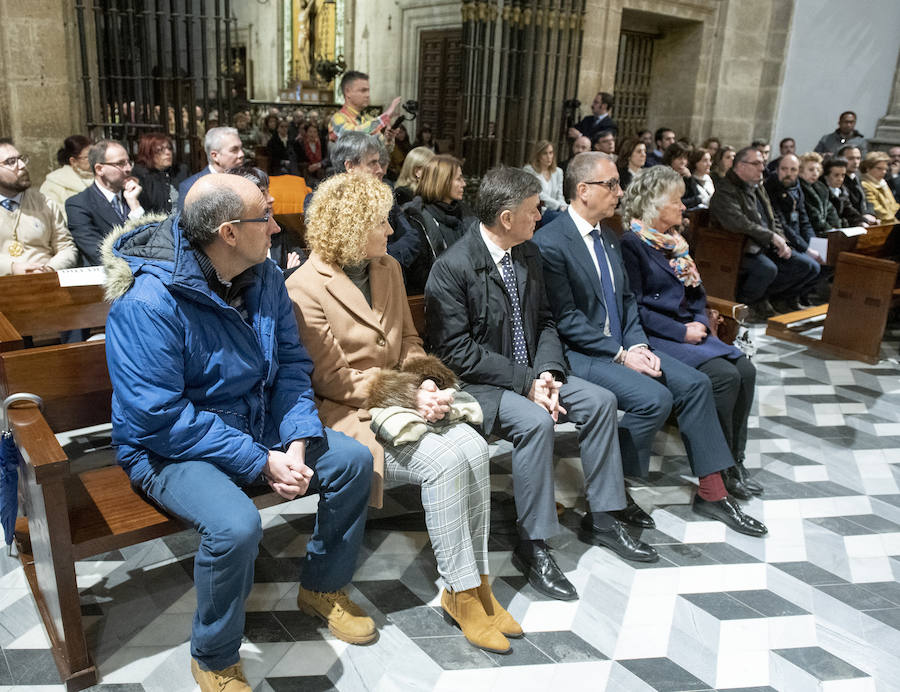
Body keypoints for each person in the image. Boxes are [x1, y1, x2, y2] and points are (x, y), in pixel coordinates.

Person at [102, 173, 375, 691]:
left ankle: (323, 586)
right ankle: (214, 656)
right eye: (264, 217)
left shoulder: (264, 275)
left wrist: (296, 441)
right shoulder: (147, 302)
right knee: (235, 526)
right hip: (168, 448)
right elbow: (158, 416)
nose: (276, 226)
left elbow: (291, 364)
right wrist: (260, 460)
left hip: (255, 422)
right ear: (228, 232)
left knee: (353, 462)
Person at [287, 172, 522, 654]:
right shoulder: (303, 288)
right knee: (443, 462)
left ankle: (478, 585)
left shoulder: (387, 267)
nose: (391, 231)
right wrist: (409, 394)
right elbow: (332, 380)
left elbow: (411, 341)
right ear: (352, 228)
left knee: (473, 446)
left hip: (404, 398)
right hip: (349, 414)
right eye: (381, 222)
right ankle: (458, 592)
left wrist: (427, 382)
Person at [426, 166, 656, 603]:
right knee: (535, 423)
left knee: (600, 401)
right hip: (481, 385)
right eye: (533, 210)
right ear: (507, 218)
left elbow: (547, 322)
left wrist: (549, 372)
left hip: (533, 374)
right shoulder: (453, 267)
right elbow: (457, 353)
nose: (541, 216)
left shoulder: (527, 252)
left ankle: (605, 517)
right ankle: (534, 544)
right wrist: (527, 382)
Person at [534, 153, 765, 535]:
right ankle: (613, 493)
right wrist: (621, 354)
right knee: (655, 399)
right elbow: (567, 319)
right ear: (583, 190)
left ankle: (713, 492)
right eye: (611, 184)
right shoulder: (551, 242)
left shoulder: (607, 238)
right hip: (579, 353)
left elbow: (627, 302)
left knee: (697, 385)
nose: (620, 192)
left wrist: (638, 346)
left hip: (622, 345)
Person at [619, 166, 763, 497]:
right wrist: (681, 331)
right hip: (657, 335)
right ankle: (720, 469)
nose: (683, 207)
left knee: (746, 370)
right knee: (724, 377)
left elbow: (697, 293)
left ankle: (735, 461)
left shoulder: (676, 243)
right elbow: (635, 307)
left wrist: (699, 320)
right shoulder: (632, 244)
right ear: (654, 203)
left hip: (690, 330)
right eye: (677, 200)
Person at [709, 147, 820, 320]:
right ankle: (743, 304)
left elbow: (772, 217)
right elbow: (739, 223)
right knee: (767, 269)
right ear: (740, 166)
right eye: (756, 163)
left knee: (808, 266)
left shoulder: (757, 186)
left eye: (763, 163)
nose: (762, 168)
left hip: (762, 243)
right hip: (737, 247)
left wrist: (781, 239)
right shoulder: (725, 190)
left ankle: (771, 299)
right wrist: (772, 237)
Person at [331, 132, 423, 290]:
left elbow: (412, 238)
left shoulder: (383, 196)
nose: (380, 169)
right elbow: (340, 254)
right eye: (373, 163)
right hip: (345, 286)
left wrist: (381, 258)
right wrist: (378, 257)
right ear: (350, 166)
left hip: (388, 281)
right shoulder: (325, 204)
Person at [0, 138, 77, 275]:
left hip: (45, 280)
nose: (22, 165)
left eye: (21, 159)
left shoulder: (46, 203)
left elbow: (66, 248)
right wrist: (11, 268)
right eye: (11, 162)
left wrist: (49, 269)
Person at [66, 140, 145, 266]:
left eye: (129, 162)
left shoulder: (137, 195)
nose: (128, 168)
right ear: (99, 169)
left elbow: (154, 241)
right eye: (120, 163)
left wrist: (135, 206)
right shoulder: (78, 205)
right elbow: (98, 253)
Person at [403, 154, 476, 290]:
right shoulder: (415, 217)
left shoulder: (467, 213)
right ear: (442, 181)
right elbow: (417, 274)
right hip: (434, 294)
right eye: (458, 179)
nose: (464, 184)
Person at [763, 154, 822, 306]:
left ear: (798, 171)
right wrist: (805, 248)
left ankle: (791, 297)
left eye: (793, 170)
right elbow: (781, 224)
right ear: (777, 169)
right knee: (809, 266)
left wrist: (814, 244)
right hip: (780, 240)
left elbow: (804, 220)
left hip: (796, 239)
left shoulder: (796, 187)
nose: (788, 173)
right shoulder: (770, 188)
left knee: (824, 261)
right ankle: (774, 298)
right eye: (784, 169)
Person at [226, 164, 304, 276]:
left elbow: (301, 262)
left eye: (268, 191)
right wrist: (285, 275)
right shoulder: (230, 243)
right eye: (262, 193)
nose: (272, 198)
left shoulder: (279, 231)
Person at [328, 70, 403, 144]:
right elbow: (354, 135)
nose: (368, 95)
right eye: (363, 90)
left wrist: (388, 139)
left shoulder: (367, 119)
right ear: (348, 92)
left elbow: (380, 149)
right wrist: (385, 116)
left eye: (368, 91)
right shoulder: (337, 119)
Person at [178, 126, 245, 203]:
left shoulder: (247, 180)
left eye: (241, 148)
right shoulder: (191, 187)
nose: (241, 154)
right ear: (215, 156)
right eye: (234, 150)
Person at [132, 132, 188, 214]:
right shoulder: (141, 176)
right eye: (160, 150)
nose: (168, 153)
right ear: (148, 153)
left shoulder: (180, 171)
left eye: (169, 148)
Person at [39, 135, 94, 212]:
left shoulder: (102, 177)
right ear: (73, 161)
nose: (95, 159)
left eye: (96, 154)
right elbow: (52, 213)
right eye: (89, 156)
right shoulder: (53, 184)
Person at [798, 152, 841, 235]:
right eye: (811, 170)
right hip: (808, 232)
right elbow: (812, 215)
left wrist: (836, 227)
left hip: (825, 231)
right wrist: (829, 229)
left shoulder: (821, 188)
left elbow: (830, 209)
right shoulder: (800, 188)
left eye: (818, 170)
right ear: (800, 171)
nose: (815, 173)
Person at [522, 140, 566, 212]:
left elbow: (560, 195)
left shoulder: (558, 171)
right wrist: (558, 205)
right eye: (545, 153)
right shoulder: (529, 170)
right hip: (538, 210)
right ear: (538, 156)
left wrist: (564, 206)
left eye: (550, 153)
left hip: (556, 210)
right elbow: (538, 194)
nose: (549, 157)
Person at [822, 157, 866, 228]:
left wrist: (860, 221)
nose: (840, 179)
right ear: (826, 176)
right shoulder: (821, 192)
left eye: (843, 175)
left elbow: (849, 211)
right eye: (836, 175)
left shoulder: (842, 191)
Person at [838, 145, 877, 224]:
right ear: (840, 159)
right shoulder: (837, 180)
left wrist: (870, 214)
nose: (855, 162)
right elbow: (846, 206)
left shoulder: (856, 178)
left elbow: (867, 200)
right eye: (850, 158)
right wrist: (862, 218)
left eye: (858, 158)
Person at [860, 151, 900, 225]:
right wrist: (893, 219)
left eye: (885, 169)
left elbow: (893, 204)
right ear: (868, 168)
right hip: (882, 224)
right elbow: (875, 209)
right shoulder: (865, 184)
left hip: (893, 222)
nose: (884, 172)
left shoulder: (882, 182)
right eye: (879, 168)